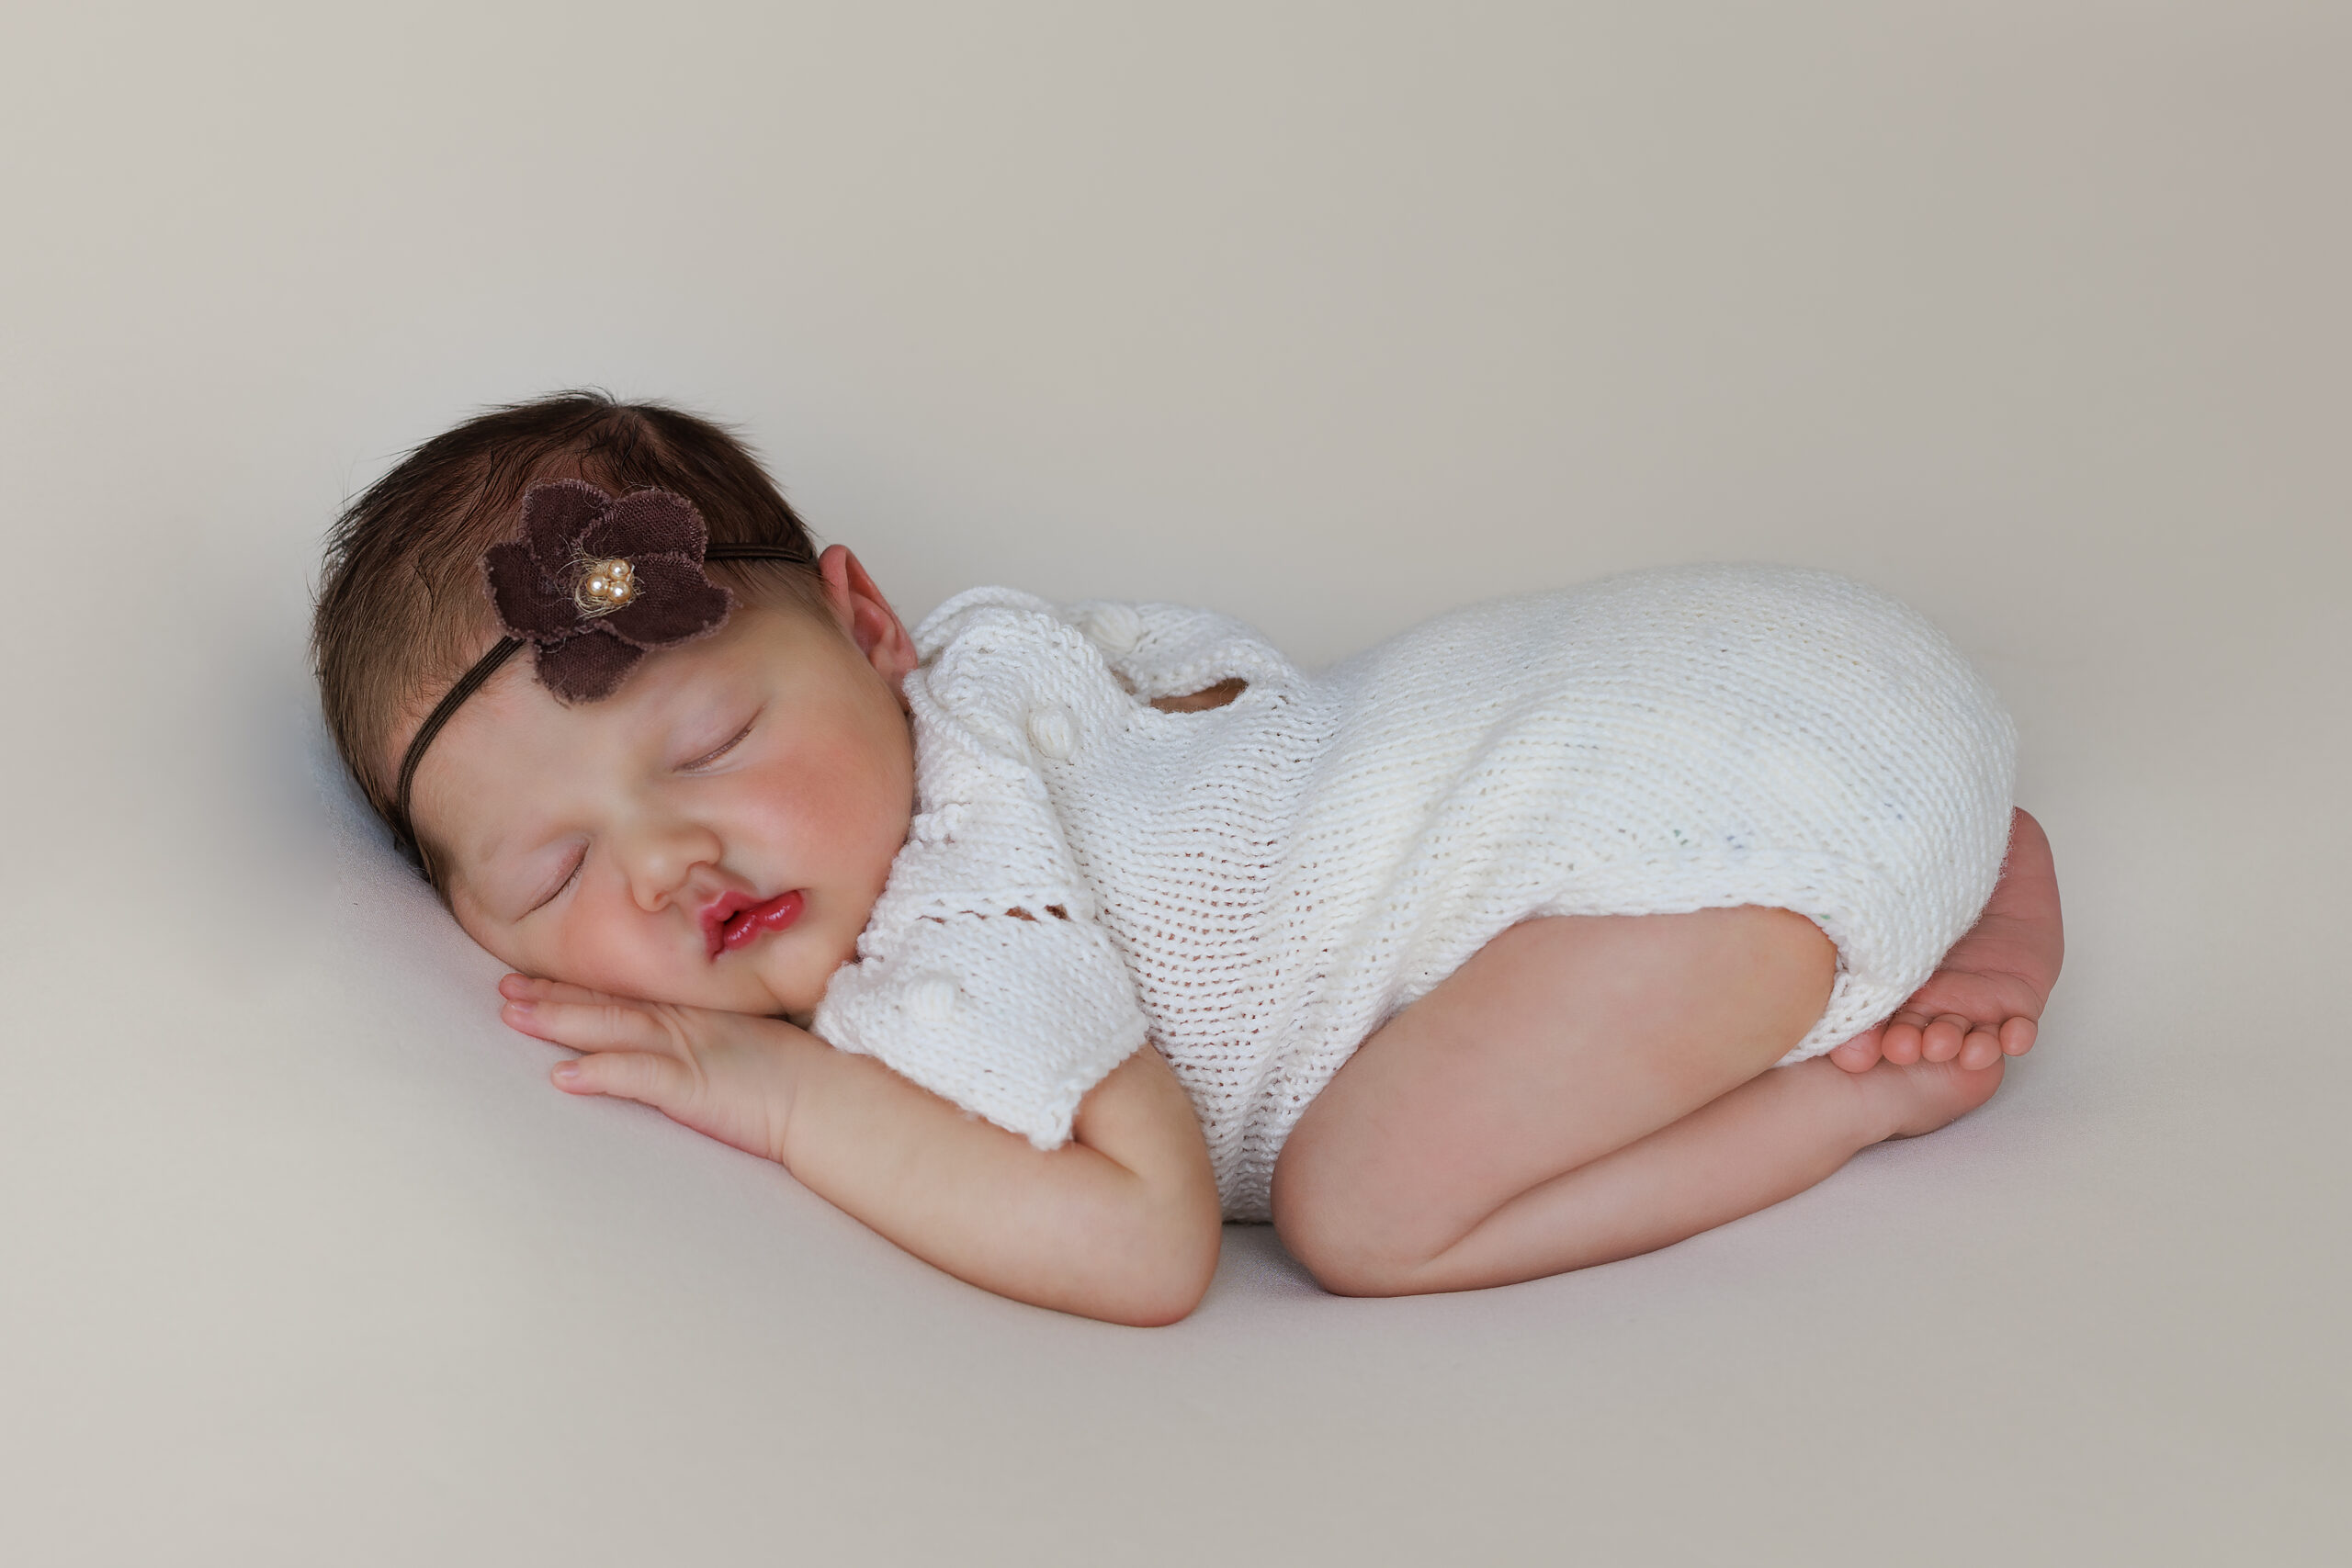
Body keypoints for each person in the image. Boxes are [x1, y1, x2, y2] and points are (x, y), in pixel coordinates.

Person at [312, 391, 2064, 1326]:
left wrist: (780, 1100)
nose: (672, 860)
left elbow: (1146, 1246)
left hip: (1700, 829)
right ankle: (1982, 860)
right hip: (1787, 675)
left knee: (1366, 1217)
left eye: (712, 744)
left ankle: (1843, 1101)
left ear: (869, 627)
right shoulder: (1012, 678)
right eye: (554, 875)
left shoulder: (956, 924)